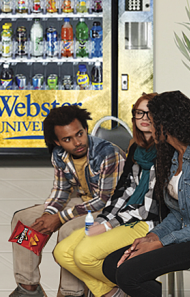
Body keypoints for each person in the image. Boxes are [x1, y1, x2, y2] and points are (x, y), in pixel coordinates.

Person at [101, 90, 190, 297]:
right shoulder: (173, 155)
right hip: (178, 232)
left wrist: (160, 242)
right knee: (112, 264)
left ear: (168, 124)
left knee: (128, 274)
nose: (148, 125)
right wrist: (152, 236)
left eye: (153, 121)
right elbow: (177, 214)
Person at [10, 105, 124, 297]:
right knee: (25, 220)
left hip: (109, 208)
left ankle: (72, 292)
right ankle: (29, 288)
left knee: (68, 230)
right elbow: (62, 191)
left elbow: (103, 201)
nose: (77, 142)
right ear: (57, 141)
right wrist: (48, 214)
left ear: (85, 129)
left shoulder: (108, 153)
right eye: (67, 139)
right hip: (81, 202)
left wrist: (60, 218)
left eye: (79, 134)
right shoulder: (59, 154)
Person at [53, 93, 160, 297]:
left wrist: (109, 225)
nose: (144, 118)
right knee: (62, 252)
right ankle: (111, 293)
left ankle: (132, 291)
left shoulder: (166, 151)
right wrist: (105, 218)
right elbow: (123, 190)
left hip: (147, 222)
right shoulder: (136, 148)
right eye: (140, 113)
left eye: (150, 113)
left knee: (83, 255)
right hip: (126, 216)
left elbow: (149, 208)